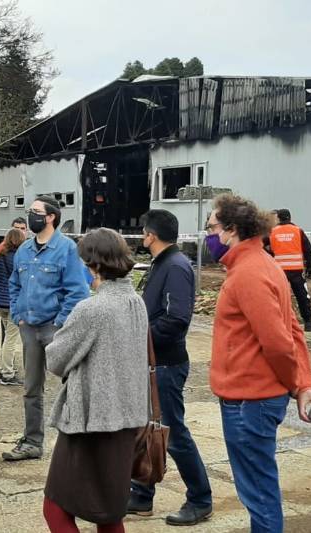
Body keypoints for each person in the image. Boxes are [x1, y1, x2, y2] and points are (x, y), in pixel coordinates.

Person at [205, 194, 311, 532]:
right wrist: (302, 385)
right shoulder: (263, 265)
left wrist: (296, 384)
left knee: (258, 493)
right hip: (253, 399)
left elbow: (279, 342)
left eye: (211, 227)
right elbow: (293, 329)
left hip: (249, 402)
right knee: (260, 489)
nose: (208, 235)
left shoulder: (249, 274)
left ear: (231, 230)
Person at [42, 228, 149, 533]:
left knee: (56, 508)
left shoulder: (93, 308)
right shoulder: (135, 301)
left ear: (96, 264)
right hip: (127, 418)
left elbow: (56, 359)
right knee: (109, 513)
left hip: (91, 421)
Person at [128, 210, 213, 526]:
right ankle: (140, 494)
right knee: (146, 431)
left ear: (150, 235)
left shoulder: (176, 267)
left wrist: (138, 335)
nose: (142, 238)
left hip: (165, 365)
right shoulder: (161, 263)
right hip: (152, 363)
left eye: (143, 233)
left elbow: (177, 320)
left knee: (174, 435)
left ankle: (200, 499)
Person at [3, 195, 90, 461]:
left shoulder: (67, 249)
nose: (31, 216)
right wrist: (18, 313)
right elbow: (14, 285)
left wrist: (60, 323)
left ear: (51, 216)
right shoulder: (24, 250)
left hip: (55, 329)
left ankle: (80, 444)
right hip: (29, 328)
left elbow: (77, 291)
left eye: (36, 211)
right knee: (31, 388)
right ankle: (32, 442)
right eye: (30, 211)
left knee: (74, 385)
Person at [0, 228, 27, 386]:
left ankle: (4, 368)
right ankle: (7, 373)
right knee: (11, 340)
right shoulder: (20, 258)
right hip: (13, 302)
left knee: (7, 338)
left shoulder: (0, 256)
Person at [268, 208, 311, 332]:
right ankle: (308, 322)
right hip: (296, 270)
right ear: (290, 217)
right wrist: (309, 267)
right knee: (302, 296)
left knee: (277, 297)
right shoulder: (298, 231)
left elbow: (261, 246)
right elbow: (308, 249)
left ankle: (276, 323)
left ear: (278, 218)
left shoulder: (272, 232)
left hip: (279, 271)